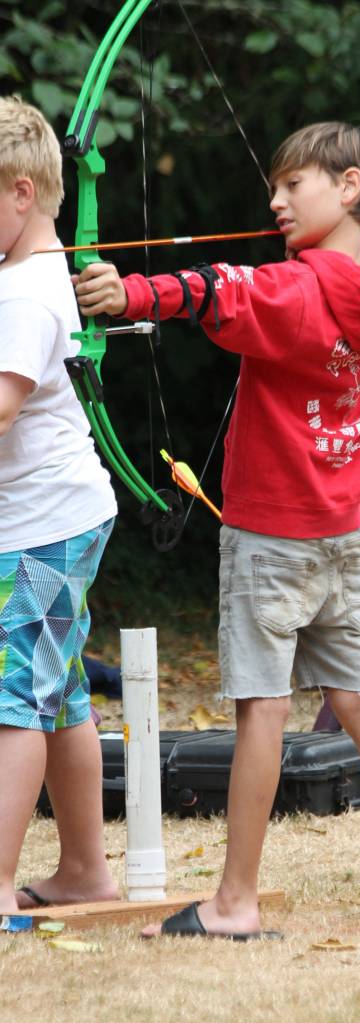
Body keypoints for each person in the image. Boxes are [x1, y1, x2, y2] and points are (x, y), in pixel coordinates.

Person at [74, 121, 360, 936]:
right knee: (358, 702)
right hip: (340, 533)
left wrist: (124, 293)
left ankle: (234, 901)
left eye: (294, 186)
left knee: (263, 711)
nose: (274, 202)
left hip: (272, 536)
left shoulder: (292, 291)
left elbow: (211, 289)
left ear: (347, 186)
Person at [0, 95, 119, 915]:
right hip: (58, 516)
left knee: (13, 702)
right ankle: (83, 869)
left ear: (18, 194)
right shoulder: (24, 278)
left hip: (41, 525)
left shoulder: (25, 295)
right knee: (60, 692)